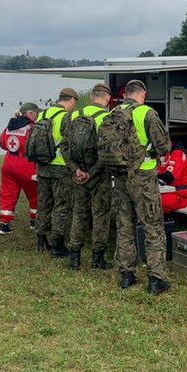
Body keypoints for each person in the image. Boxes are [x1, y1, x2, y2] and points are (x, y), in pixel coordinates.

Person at [111, 80, 172, 295]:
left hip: (119, 176)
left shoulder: (114, 113)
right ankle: (156, 279)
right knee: (153, 226)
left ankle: (127, 275)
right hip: (143, 176)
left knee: (124, 225)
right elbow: (163, 146)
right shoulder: (147, 113)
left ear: (126, 94)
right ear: (142, 95)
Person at [63, 83, 112, 271]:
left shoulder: (74, 115)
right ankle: (97, 260)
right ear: (107, 99)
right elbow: (107, 152)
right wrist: (91, 173)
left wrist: (76, 170)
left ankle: (74, 258)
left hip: (78, 174)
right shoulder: (107, 117)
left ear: (91, 96)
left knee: (79, 213)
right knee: (100, 215)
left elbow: (65, 146)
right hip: (98, 175)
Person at [34, 88, 77, 257]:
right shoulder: (65, 117)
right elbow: (70, 143)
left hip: (43, 165)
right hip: (60, 167)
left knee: (44, 203)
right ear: (72, 100)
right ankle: (58, 244)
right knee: (62, 205)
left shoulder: (43, 114)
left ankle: (41, 238)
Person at [0, 102, 41, 235]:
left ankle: (4, 224)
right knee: (34, 193)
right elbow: (36, 146)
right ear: (30, 113)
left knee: (7, 193)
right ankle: (34, 221)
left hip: (9, 162)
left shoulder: (10, 126)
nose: (37, 116)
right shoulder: (31, 127)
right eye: (36, 113)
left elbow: (2, 144)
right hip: (26, 163)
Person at [159, 145, 187, 215]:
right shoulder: (164, 154)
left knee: (155, 202)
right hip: (165, 192)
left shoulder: (177, 154)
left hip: (179, 194)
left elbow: (169, 177)